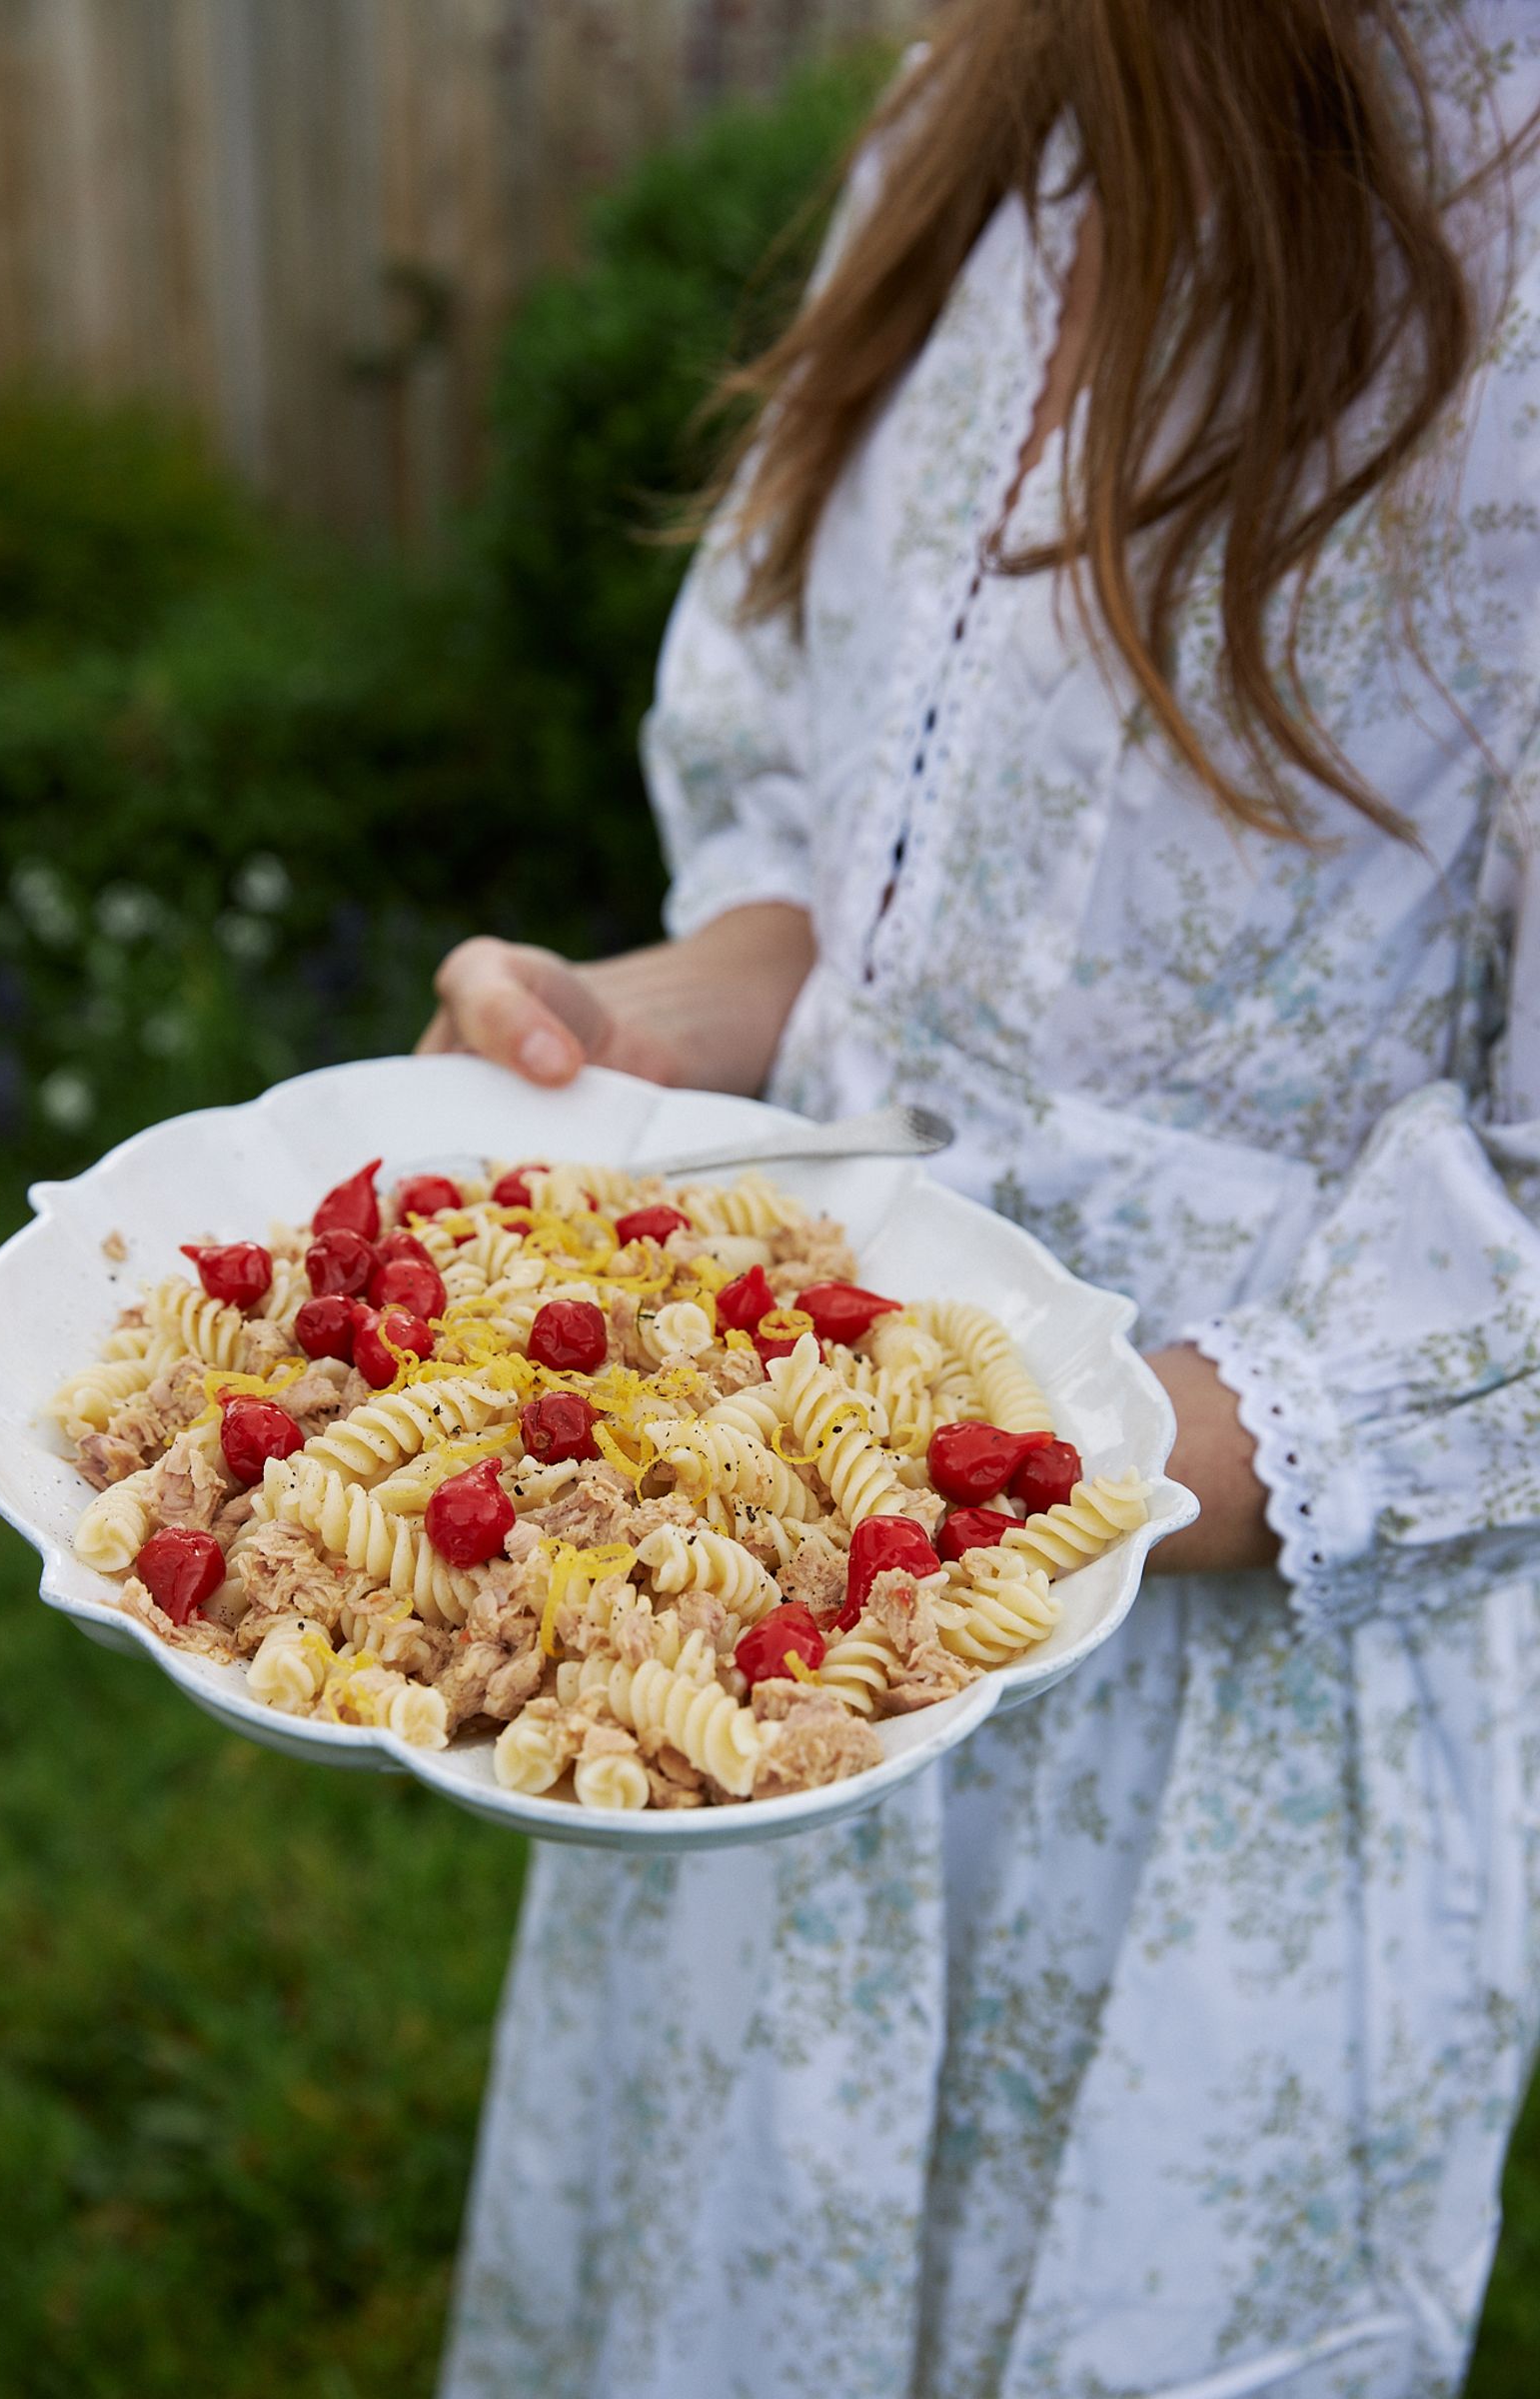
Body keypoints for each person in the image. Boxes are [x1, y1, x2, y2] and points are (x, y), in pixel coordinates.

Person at [428, 5, 1540, 2392]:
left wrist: (1042, 1480)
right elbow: (835, 874)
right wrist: (634, 1031)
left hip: (1190, 1748)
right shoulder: (995, 105)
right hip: (775, 1587)